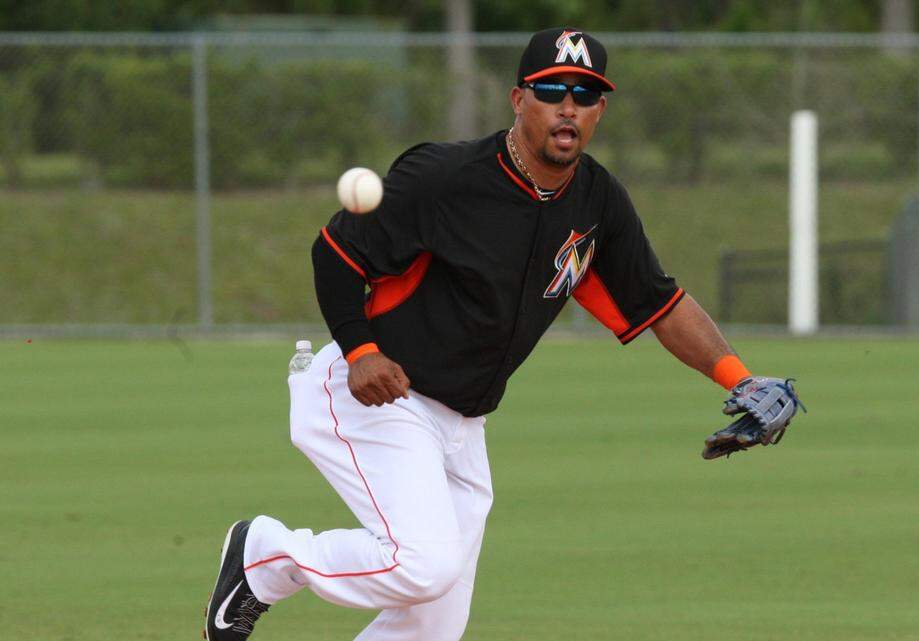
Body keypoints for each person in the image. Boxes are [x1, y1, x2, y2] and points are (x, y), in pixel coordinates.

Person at [205, 27, 775, 641]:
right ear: (518, 99)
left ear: (600, 111)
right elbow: (336, 254)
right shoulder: (445, 177)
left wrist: (740, 379)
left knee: (432, 626)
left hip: (462, 424)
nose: (568, 106)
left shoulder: (597, 201)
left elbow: (660, 304)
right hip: (374, 393)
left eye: (585, 95)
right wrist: (361, 349)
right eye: (552, 88)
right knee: (424, 565)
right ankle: (264, 558)